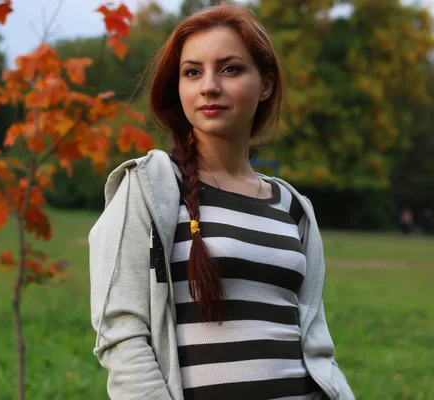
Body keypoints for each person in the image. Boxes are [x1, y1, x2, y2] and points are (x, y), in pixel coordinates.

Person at [89, 4, 354, 400]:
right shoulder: (148, 187)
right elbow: (121, 334)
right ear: (177, 88)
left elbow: (316, 343)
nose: (209, 86)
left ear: (265, 84)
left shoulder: (294, 207)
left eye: (230, 69)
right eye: (192, 72)